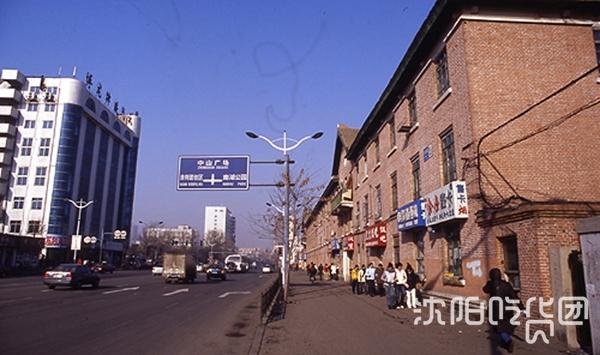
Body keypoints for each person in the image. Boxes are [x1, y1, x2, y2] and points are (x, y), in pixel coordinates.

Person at [483, 268, 524, 353]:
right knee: (507, 327)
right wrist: (522, 308)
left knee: (498, 329)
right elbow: (514, 296)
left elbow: (484, 289)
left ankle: (508, 341)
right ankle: (505, 342)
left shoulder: (490, 284)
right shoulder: (506, 285)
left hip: (495, 311)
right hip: (507, 310)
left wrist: (489, 282)